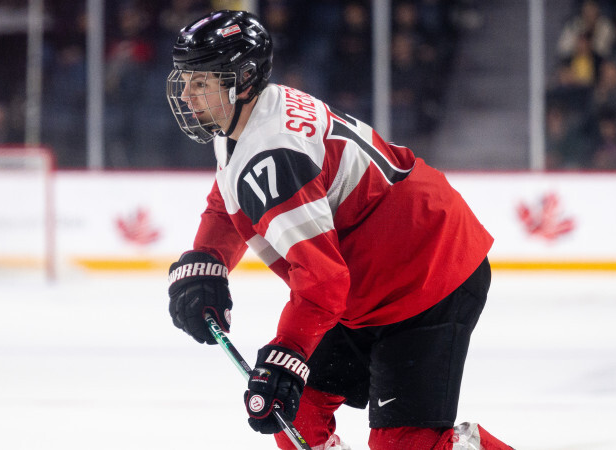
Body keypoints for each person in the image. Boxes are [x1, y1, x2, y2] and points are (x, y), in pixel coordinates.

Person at [165, 10, 513, 450]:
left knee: (406, 443)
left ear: (243, 77)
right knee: (298, 418)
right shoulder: (245, 120)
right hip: (369, 285)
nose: (188, 95)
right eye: (187, 81)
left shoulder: (274, 154)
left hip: (426, 275)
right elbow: (229, 193)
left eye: (201, 82)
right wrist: (209, 258)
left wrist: (288, 351)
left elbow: (323, 279)